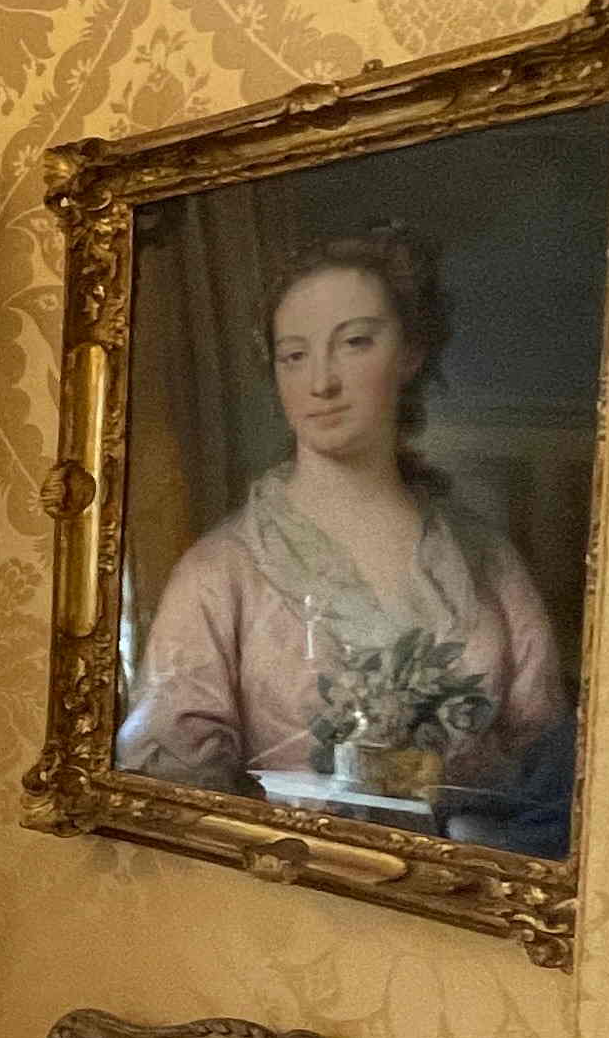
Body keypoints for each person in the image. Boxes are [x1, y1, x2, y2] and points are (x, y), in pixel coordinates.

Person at [118, 225, 563, 798]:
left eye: (354, 343)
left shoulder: (490, 561)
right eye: (294, 356)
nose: (321, 382)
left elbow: (545, 763)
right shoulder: (218, 572)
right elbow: (170, 787)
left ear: (410, 353)